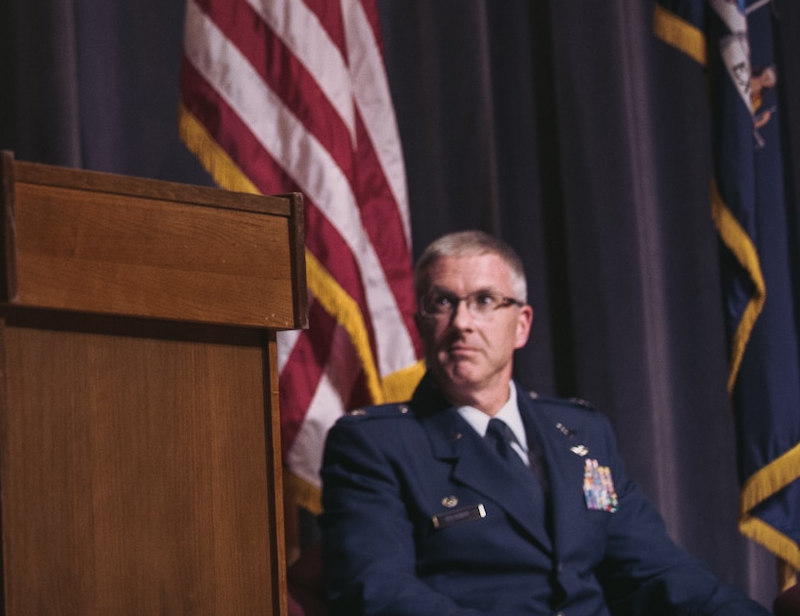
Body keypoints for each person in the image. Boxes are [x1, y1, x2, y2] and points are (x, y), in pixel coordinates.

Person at [320, 231, 770, 616]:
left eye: (484, 301)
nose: (462, 324)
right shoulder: (375, 444)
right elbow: (377, 593)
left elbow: (653, 569)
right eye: (443, 302)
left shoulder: (581, 433)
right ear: (421, 323)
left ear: (521, 325)